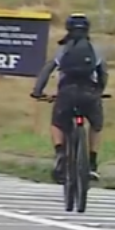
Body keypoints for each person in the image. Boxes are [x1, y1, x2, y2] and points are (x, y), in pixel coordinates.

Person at [31, 13, 109, 183]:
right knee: (96, 126)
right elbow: (103, 74)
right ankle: (93, 161)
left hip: (67, 93)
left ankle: (60, 153)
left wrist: (38, 91)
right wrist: (100, 91)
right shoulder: (94, 50)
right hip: (90, 93)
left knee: (57, 123)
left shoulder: (63, 49)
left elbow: (47, 70)